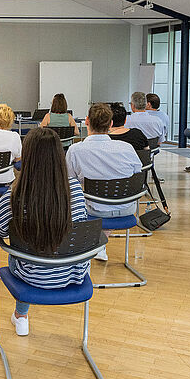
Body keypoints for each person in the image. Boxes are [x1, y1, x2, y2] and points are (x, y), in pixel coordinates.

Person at [0, 127, 92, 336]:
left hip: (32, 277)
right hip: (74, 274)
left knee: (23, 253)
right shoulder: (75, 189)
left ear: (27, 156)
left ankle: (21, 317)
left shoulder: (15, 195)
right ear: (59, 155)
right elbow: (81, 221)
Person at [67, 103, 143, 261]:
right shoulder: (127, 148)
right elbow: (138, 174)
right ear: (111, 124)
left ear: (87, 121)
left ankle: (93, 244)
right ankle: (100, 244)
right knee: (104, 200)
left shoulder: (76, 150)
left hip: (93, 210)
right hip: (127, 208)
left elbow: (69, 183)